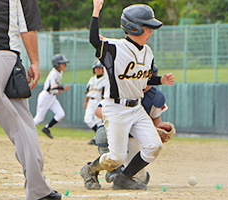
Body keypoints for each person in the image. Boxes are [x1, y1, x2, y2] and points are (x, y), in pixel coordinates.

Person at [0, 1, 61, 199]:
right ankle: (38, 191)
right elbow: (27, 29)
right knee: (22, 129)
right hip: (2, 60)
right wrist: (35, 62)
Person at [80, 0, 175, 190]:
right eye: (147, 27)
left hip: (136, 108)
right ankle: (90, 169)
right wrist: (96, 11)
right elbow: (94, 40)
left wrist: (161, 80)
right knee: (116, 157)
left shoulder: (148, 52)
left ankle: (124, 178)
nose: (150, 32)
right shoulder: (114, 48)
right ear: (134, 28)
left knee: (154, 146)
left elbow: (145, 78)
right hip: (115, 108)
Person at [33, 54, 70, 139]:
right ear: (57, 64)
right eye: (62, 63)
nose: (65, 65)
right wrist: (62, 88)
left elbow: (55, 85)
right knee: (39, 118)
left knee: (60, 114)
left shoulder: (60, 72)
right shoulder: (53, 73)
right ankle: (27, 131)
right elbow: (52, 87)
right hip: (45, 97)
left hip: (52, 97)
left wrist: (58, 89)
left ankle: (47, 128)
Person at [84, 60, 106, 145]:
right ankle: (98, 135)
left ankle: (96, 138)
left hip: (99, 101)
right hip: (91, 101)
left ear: (103, 69)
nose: (98, 70)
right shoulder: (91, 79)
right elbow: (87, 92)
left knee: (98, 121)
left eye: (100, 68)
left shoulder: (105, 80)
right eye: (96, 68)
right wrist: (85, 101)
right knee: (87, 119)